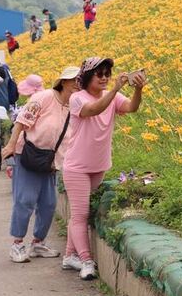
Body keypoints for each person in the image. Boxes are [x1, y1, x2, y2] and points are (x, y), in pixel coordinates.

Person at [62, 57, 146, 280]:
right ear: (88, 76)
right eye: (100, 74)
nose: (105, 78)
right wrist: (116, 88)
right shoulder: (77, 98)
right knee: (81, 214)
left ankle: (70, 255)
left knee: (79, 214)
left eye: (108, 73)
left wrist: (138, 89)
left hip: (98, 165)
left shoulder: (114, 96)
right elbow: (94, 109)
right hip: (77, 166)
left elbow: (131, 107)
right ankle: (87, 261)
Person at [1, 66, 80, 263]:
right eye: (74, 81)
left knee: (48, 204)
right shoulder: (43, 97)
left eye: (81, 81)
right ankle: (17, 244)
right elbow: (22, 120)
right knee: (25, 200)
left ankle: (37, 243)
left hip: (50, 162)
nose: (77, 85)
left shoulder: (76, 106)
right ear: (63, 82)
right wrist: (11, 144)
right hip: (28, 154)